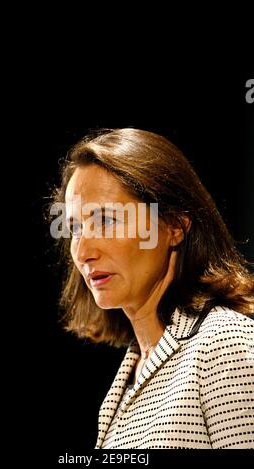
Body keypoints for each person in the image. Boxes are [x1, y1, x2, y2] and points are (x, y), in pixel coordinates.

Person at [51, 128, 254, 449]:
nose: (83, 250)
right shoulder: (130, 372)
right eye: (75, 227)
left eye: (106, 220)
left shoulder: (224, 345)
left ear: (174, 225)